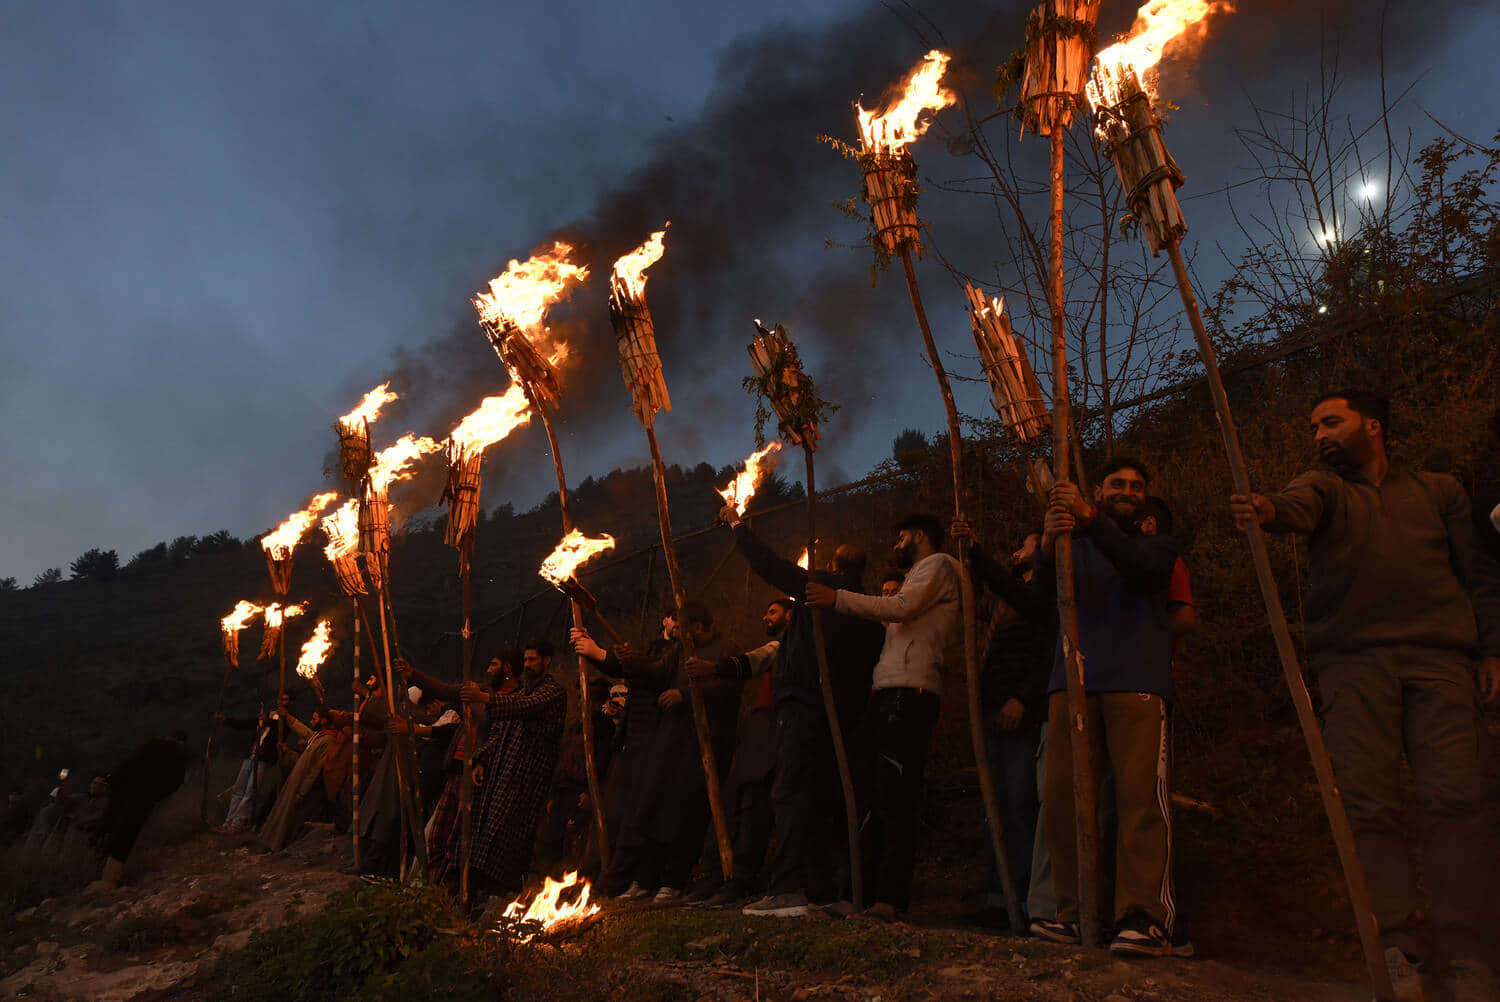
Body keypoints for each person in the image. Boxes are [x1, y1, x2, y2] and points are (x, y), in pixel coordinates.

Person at [1230, 389, 1500, 997]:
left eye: (1331, 421)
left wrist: (1493, 649)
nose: (1319, 433)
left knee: (1457, 803)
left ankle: (1470, 961)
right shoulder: (1324, 487)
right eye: (1313, 426)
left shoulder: (1440, 490)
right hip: (1353, 664)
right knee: (1370, 806)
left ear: (1372, 426)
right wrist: (1265, 509)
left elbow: (1476, 573)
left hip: (1442, 660)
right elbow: (1295, 506)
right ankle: (1400, 950)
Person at [1030, 459, 1179, 956]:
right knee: (1062, 801)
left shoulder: (1155, 543)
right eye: (1118, 483)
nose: (1129, 491)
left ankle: (1144, 916)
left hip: (1135, 681)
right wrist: (1049, 548)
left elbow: (1145, 571)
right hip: (1071, 682)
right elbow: (1036, 604)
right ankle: (1075, 913)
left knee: (1139, 800)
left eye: (1137, 486)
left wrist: (1088, 518)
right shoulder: (1076, 542)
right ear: (1100, 487)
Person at [806, 512, 961, 923]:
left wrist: (837, 599)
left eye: (901, 536)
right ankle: (858, 895)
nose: (895, 544)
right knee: (867, 796)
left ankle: (889, 900)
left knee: (894, 798)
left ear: (921, 537)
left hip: (912, 693)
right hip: (885, 692)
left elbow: (900, 608)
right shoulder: (917, 574)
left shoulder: (939, 566)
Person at [949, 522, 1052, 932]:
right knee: (995, 810)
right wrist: (969, 557)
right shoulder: (1007, 590)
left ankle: (1027, 902)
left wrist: (1023, 697)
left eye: (1026, 542)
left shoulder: (1044, 589)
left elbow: (1045, 652)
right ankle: (999, 897)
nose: (1019, 548)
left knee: (1019, 805)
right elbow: (974, 608)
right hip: (991, 705)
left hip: (1018, 708)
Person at [683, 598, 792, 905]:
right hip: (759, 721)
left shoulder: (795, 643)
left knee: (755, 799)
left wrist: (714, 668)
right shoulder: (777, 645)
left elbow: (751, 662)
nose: (765, 616)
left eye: (773, 611)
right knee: (733, 796)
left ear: (791, 614)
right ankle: (718, 874)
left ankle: (741, 877)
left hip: (779, 720)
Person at [463, 639, 567, 899]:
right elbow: (500, 732)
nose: (529, 664)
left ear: (546, 661)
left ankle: (503, 895)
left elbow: (524, 708)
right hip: (503, 772)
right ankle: (477, 894)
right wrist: (481, 760)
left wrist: (485, 698)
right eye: (527, 660)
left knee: (512, 835)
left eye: (534, 660)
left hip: (529, 776)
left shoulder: (552, 691)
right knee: (487, 832)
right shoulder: (523, 691)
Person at [93, 731, 190, 887]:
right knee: (127, 834)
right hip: (145, 799)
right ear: (182, 742)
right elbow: (175, 783)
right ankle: (109, 878)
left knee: (108, 825)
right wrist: (156, 796)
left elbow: (130, 763)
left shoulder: (153, 744)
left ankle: (94, 865)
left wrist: (114, 783)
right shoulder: (181, 755)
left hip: (125, 791)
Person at [216, 692, 299, 834]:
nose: (282, 702)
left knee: (250, 791)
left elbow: (280, 729)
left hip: (264, 758)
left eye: (285, 699)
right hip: (252, 754)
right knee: (239, 789)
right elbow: (247, 723)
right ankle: (228, 822)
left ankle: (239, 823)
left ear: (290, 702)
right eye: (281, 699)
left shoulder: (287, 719)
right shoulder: (270, 714)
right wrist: (227, 720)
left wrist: (268, 721)